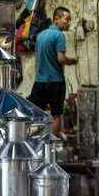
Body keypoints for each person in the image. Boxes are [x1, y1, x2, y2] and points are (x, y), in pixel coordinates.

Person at [27, 7, 78, 136]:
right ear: (56, 19)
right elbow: (61, 58)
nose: (69, 23)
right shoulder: (59, 35)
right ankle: (52, 146)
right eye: (67, 19)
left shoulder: (40, 36)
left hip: (39, 81)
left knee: (37, 115)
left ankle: (36, 144)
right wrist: (72, 60)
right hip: (55, 81)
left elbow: (37, 59)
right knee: (56, 116)